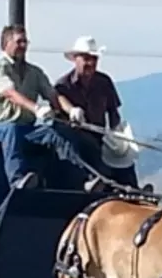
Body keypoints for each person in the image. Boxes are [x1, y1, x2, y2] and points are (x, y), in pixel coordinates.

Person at [0, 24, 77, 189]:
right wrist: (37, 108)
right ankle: (17, 180)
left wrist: (71, 110)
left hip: (24, 127)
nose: (23, 46)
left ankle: (75, 179)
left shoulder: (35, 72)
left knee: (56, 133)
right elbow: (11, 94)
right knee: (10, 130)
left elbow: (53, 95)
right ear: (6, 43)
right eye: (19, 42)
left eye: (25, 42)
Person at [54, 36, 139, 188]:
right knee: (89, 147)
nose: (91, 63)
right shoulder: (63, 86)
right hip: (76, 141)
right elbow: (58, 117)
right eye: (86, 59)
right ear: (75, 59)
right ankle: (95, 182)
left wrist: (117, 136)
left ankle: (135, 192)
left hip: (102, 137)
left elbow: (113, 113)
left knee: (124, 159)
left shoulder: (104, 82)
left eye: (94, 59)